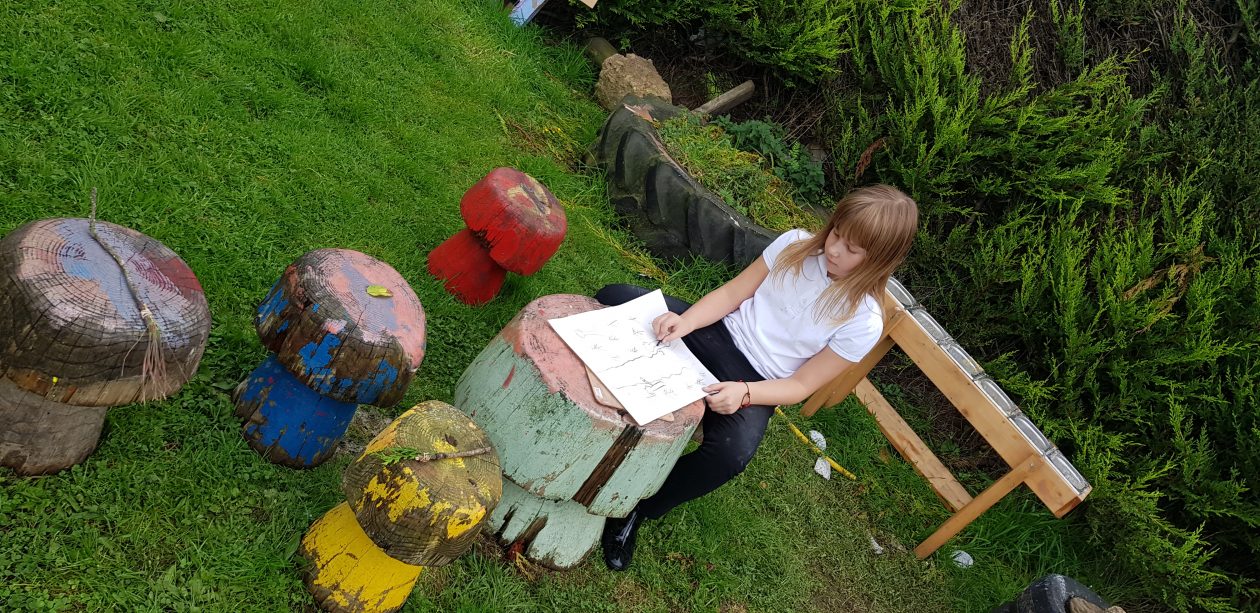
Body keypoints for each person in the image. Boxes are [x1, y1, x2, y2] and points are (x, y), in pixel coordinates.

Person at [594, 184, 919, 571]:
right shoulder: (795, 244)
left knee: (730, 455)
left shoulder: (863, 321)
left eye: (852, 249)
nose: (834, 250)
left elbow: (801, 386)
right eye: (836, 233)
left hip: (758, 380)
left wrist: (745, 394)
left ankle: (637, 509)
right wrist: (686, 321)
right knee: (616, 295)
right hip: (718, 332)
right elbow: (733, 294)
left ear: (879, 260)